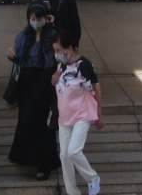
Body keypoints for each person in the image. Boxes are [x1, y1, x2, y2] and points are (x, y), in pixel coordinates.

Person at [6, 3, 60, 180]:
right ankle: (23, 155)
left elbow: (58, 53)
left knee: (43, 122)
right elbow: (20, 58)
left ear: (45, 18)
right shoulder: (23, 36)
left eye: (39, 18)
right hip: (27, 82)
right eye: (32, 19)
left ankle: (44, 164)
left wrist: (52, 24)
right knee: (26, 118)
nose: (35, 21)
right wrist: (11, 56)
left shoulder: (52, 35)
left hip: (45, 81)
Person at [51, 31, 103, 195]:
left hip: (82, 113)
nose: (57, 54)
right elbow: (56, 84)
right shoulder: (61, 66)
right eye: (55, 51)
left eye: (59, 50)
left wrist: (99, 113)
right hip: (65, 115)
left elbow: (96, 87)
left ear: (69, 48)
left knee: (73, 151)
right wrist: (54, 79)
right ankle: (72, 192)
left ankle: (92, 178)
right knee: (64, 156)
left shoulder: (83, 65)